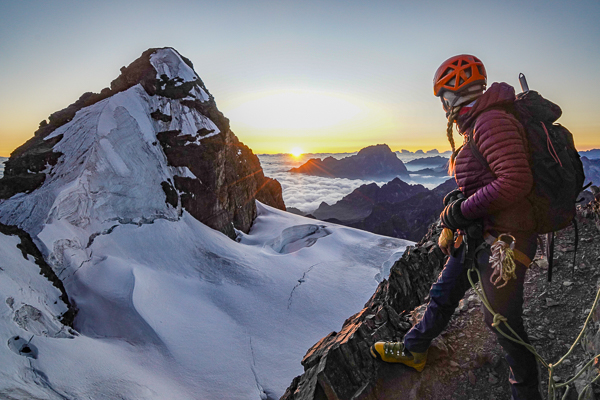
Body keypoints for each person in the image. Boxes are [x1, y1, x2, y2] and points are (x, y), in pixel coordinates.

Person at [370, 54, 542, 400]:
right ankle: (415, 349)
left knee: (504, 323)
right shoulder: (480, 122)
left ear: (453, 94)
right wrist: (458, 209)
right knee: (444, 292)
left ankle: (526, 393)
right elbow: (487, 177)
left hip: (505, 242)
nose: (443, 105)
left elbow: (515, 181)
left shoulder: (491, 121)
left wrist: (460, 211)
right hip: (482, 233)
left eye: (442, 97)